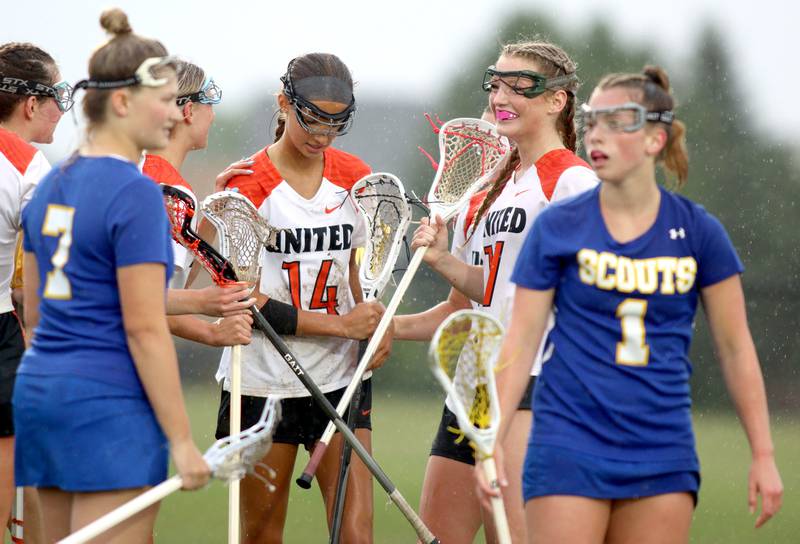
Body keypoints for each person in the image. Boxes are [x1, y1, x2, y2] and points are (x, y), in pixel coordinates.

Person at [476, 66, 784, 542]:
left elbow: (735, 347)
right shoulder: (557, 227)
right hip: (567, 441)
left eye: (616, 122)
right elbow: (520, 339)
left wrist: (763, 454)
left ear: (655, 140)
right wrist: (491, 438)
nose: (596, 134)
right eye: (593, 120)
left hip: (661, 449)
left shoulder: (698, 233)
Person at [13, 9, 210, 541]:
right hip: (109, 405)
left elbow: (35, 312)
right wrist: (183, 441)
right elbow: (144, 328)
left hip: (40, 395)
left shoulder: (50, 185)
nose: (176, 115)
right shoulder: (138, 193)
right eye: (166, 101)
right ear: (123, 102)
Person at [399, 41, 597, 543]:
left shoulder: (573, 182)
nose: (500, 97)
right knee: (438, 536)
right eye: (495, 84)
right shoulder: (488, 190)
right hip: (471, 385)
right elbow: (482, 296)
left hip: (532, 380)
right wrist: (442, 261)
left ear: (557, 101)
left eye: (520, 85)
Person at [214, 52, 391, 543]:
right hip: (262, 380)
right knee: (263, 534)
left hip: (340, 377)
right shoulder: (247, 186)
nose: (321, 135)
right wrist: (340, 326)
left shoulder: (354, 174)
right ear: (283, 105)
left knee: (355, 532)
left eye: (336, 124)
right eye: (311, 118)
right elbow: (241, 296)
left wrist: (377, 321)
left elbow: (359, 273)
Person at [0, 40, 69, 540]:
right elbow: (58, 282)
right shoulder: (32, 170)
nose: (63, 109)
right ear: (31, 104)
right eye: (58, 95)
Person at [142, 59, 252, 348]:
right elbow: (139, 298)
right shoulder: (168, 189)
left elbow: (166, 294)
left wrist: (211, 214)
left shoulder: (135, 170)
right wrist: (206, 308)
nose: (213, 117)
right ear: (188, 111)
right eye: (210, 104)